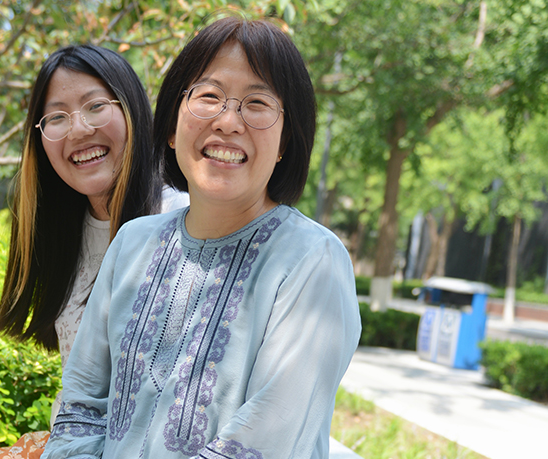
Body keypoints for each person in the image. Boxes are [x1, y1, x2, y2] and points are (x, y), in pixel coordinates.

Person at [41, 17, 362, 459]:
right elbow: (81, 407)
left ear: (287, 140)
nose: (229, 121)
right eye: (208, 97)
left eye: (257, 103)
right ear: (172, 128)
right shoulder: (132, 244)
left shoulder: (312, 261)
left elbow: (265, 440)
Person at [0, 44, 167, 458]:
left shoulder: (185, 222)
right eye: (57, 117)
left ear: (132, 109)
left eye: (95, 106)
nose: (78, 129)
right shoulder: (62, 231)